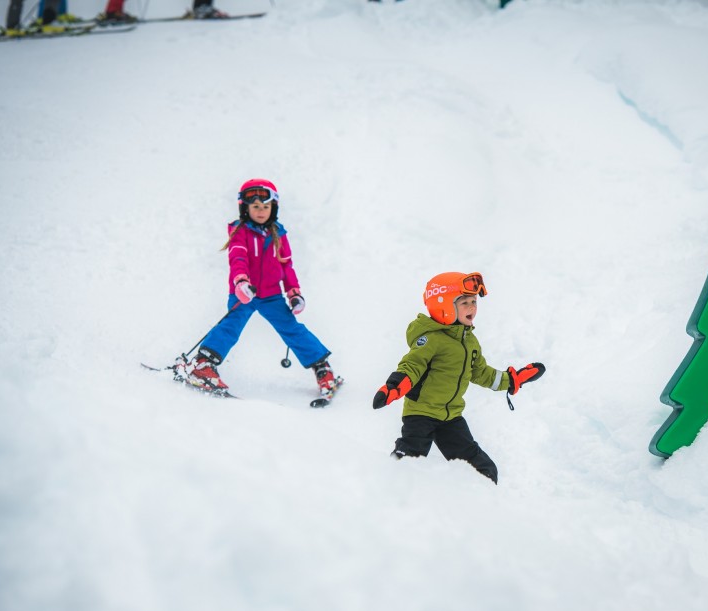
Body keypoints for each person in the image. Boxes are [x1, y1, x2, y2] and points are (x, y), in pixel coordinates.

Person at [372, 272, 545, 484]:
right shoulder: (431, 339)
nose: (472, 307)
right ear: (443, 306)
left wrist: (513, 380)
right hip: (421, 414)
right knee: (408, 460)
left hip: (451, 417)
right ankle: (385, 490)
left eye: (474, 301)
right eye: (464, 302)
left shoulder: (470, 342)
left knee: (483, 469)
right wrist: (395, 386)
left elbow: (481, 373)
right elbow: (412, 365)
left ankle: (479, 505)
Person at [187, 179, 341, 399]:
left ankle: (323, 369)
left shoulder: (279, 234)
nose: (261, 211)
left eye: (266, 207)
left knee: (292, 329)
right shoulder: (239, 231)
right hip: (245, 293)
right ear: (245, 208)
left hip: (271, 296)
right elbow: (237, 256)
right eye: (256, 207)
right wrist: (241, 281)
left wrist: (294, 293)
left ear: (273, 208)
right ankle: (203, 365)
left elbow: (287, 266)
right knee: (230, 326)